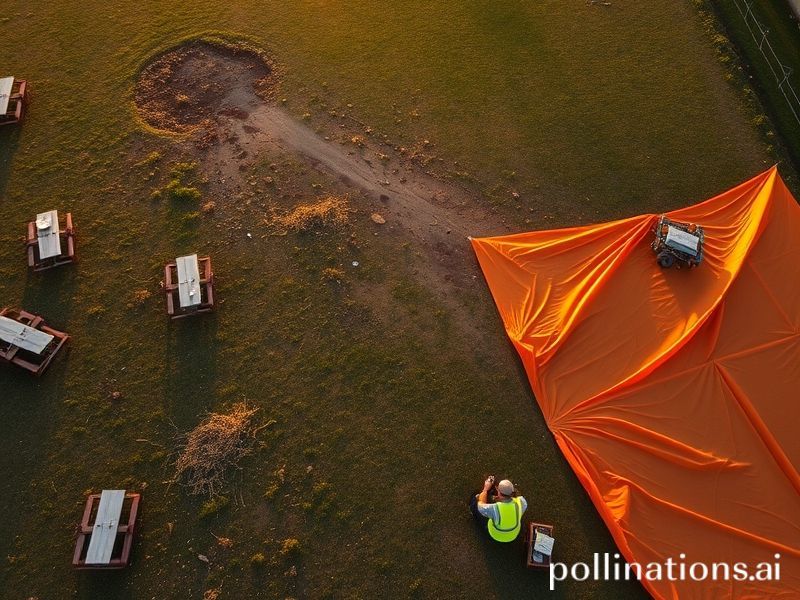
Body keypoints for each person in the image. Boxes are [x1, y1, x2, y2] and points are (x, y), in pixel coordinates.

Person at [470, 476, 527, 542]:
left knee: (476, 501)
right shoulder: (522, 502)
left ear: (498, 492)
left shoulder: (495, 509)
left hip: (497, 535)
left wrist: (485, 489)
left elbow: (481, 506)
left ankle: (472, 509)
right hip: (513, 534)